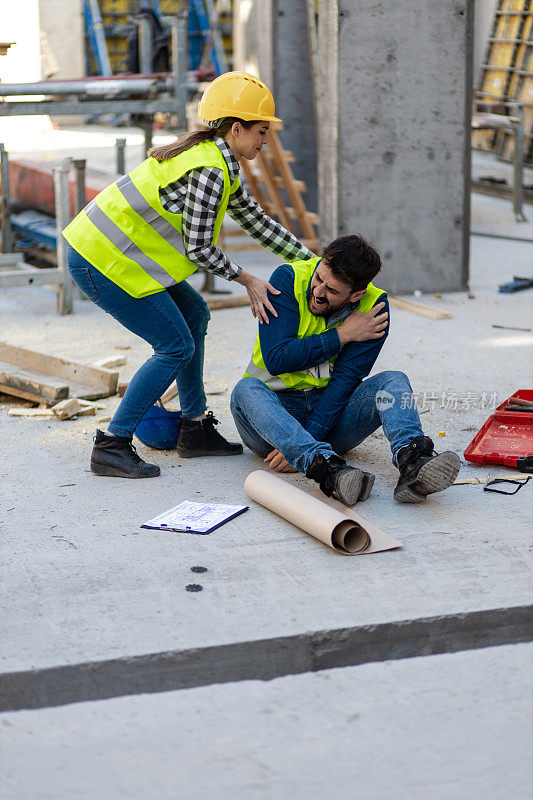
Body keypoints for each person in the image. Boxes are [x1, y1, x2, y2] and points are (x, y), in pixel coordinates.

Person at [62, 71, 315, 479]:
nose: (265, 141)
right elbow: (200, 248)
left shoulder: (218, 160)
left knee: (195, 315)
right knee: (174, 346)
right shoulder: (210, 169)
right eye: (261, 132)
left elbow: (256, 221)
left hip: (122, 257)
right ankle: (111, 444)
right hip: (100, 260)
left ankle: (194, 429)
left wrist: (314, 264)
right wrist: (249, 280)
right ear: (237, 129)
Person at [230, 235, 461, 505]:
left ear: (357, 294)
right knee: (245, 390)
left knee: (394, 381)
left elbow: (345, 380)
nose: (318, 291)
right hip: (270, 422)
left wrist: (310, 436)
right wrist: (343, 334)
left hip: (330, 422)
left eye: (332, 290)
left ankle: (413, 461)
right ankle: (325, 468)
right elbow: (277, 359)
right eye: (319, 279)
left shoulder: (374, 308)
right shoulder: (287, 279)